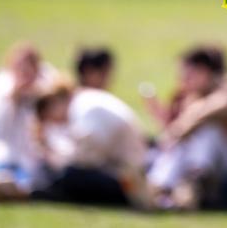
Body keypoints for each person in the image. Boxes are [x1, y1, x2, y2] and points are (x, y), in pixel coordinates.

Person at [145, 45, 227, 209]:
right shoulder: (194, 96)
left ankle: (187, 185)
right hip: (203, 168)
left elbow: (209, 110)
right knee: (183, 141)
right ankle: (159, 188)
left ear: (203, 72)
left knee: (209, 131)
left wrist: (178, 131)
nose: (183, 80)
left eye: (187, 75)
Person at [31, 77, 149, 206]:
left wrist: (55, 156)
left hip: (127, 181)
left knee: (70, 176)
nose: (55, 122)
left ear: (54, 103)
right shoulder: (84, 100)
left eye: (50, 116)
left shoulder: (83, 108)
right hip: (123, 172)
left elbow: (88, 159)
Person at [0, 43, 58, 191]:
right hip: (8, 157)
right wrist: (12, 100)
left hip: (39, 159)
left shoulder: (48, 89)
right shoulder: (2, 88)